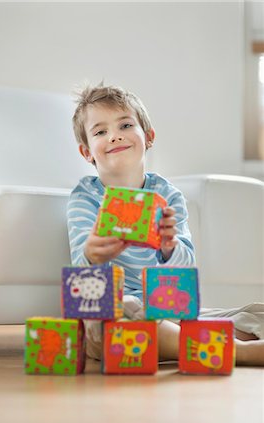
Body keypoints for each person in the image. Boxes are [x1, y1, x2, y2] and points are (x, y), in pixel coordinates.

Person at [67, 82, 264, 367]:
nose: (114, 136)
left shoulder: (167, 195)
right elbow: (82, 283)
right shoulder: (86, 197)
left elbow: (185, 271)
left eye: (125, 125)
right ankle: (235, 350)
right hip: (113, 311)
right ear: (87, 153)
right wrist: (93, 255)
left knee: (255, 315)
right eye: (100, 131)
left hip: (167, 311)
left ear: (148, 137)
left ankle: (197, 340)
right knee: (122, 318)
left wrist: (170, 248)